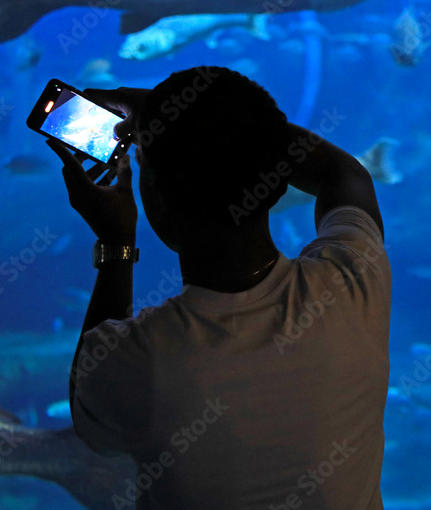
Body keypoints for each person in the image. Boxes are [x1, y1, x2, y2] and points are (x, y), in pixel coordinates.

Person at [46, 66, 391, 510]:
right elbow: (344, 173)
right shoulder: (354, 282)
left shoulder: (138, 360)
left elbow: (88, 412)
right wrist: (186, 117)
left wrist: (117, 245)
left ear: (155, 196)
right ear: (277, 179)